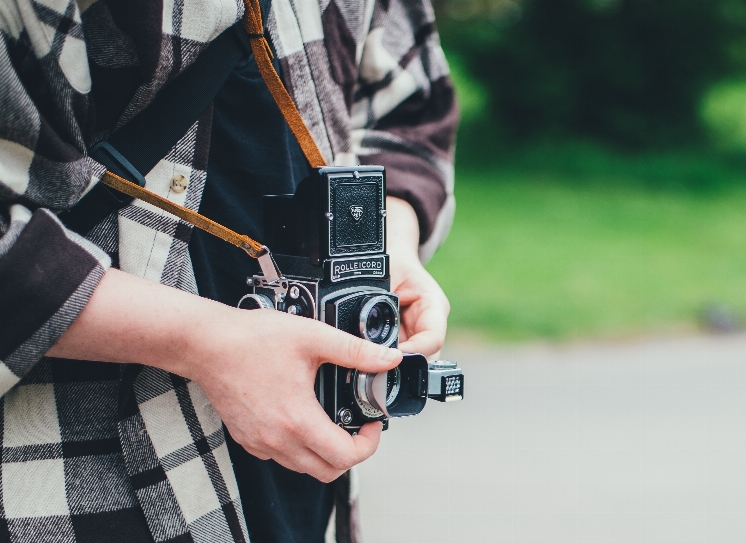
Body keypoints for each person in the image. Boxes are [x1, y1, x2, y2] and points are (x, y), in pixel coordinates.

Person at [0, 0, 457, 541]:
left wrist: (383, 247)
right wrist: (205, 341)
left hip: (302, 488)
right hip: (75, 480)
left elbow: (408, 110)